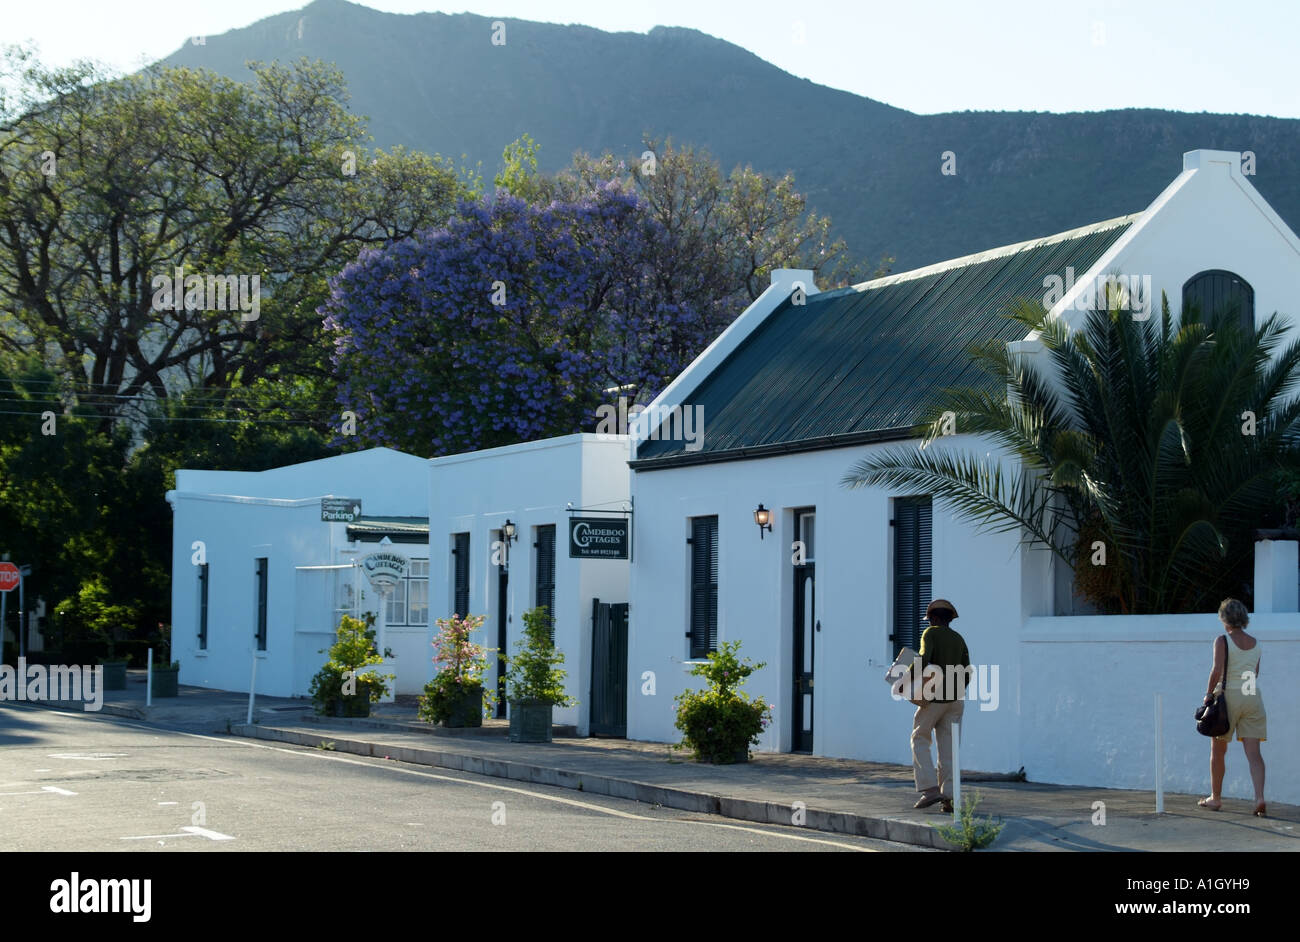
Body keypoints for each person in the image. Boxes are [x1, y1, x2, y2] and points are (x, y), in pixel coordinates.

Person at [1198, 598, 1267, 816]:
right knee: (1254, 753)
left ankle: (1215, 798)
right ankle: (1259, 798)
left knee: (1218, 751)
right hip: (1252, 697)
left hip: (1228, 699)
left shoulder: (1222, 640)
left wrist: (1209, 694)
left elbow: (1216, 670)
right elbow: (1254, 673)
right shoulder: (1256, 643)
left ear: (1224, 618)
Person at [910, 599, 970, 811]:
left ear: (935, 619)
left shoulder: (931, 634)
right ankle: (950, 798)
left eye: (930, 620)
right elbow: (967, 670)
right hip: (956, 701)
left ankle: (929, 789)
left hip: (934, 698)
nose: (929, 623)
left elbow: (924, 658)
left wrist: (907, 678)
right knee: (949, 749)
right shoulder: (959, 638)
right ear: (949, 619)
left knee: (919, 737)